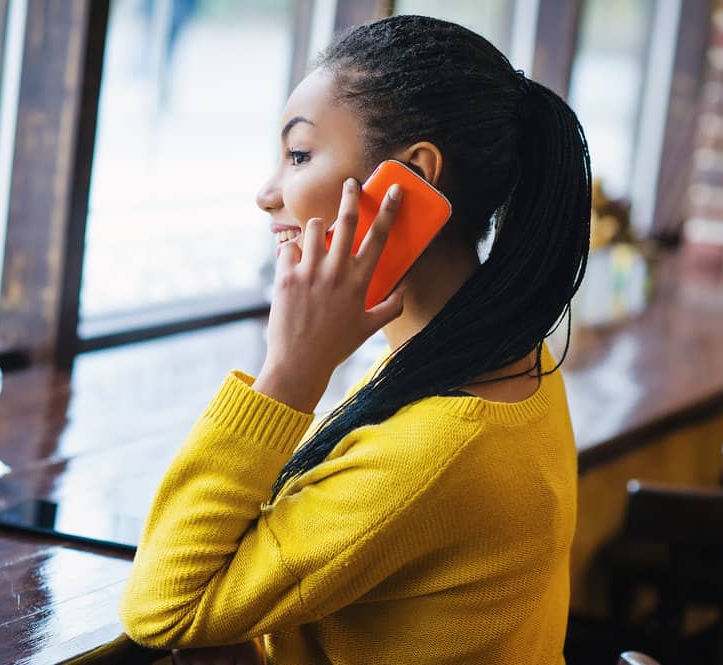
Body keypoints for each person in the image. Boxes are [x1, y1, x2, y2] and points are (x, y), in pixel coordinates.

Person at [120, 14, 590, 665]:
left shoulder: (439, 443)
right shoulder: (499, 360)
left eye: (299, 156)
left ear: (411, 178)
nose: (266, 194)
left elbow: (161, 608)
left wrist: (289, 369)